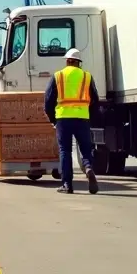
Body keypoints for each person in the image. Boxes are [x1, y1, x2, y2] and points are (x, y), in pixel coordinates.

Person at [43, 49, 100, 194]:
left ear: (67, 61)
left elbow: (48, 101)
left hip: (63, 119)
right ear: (79, 63)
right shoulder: (87, 77)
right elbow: (95, 100)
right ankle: (88, 167)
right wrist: (90, 118)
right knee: (85, 149)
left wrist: (53, 120)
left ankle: (67, 184)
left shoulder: (58, 76)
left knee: (65, 150)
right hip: (82, 118)